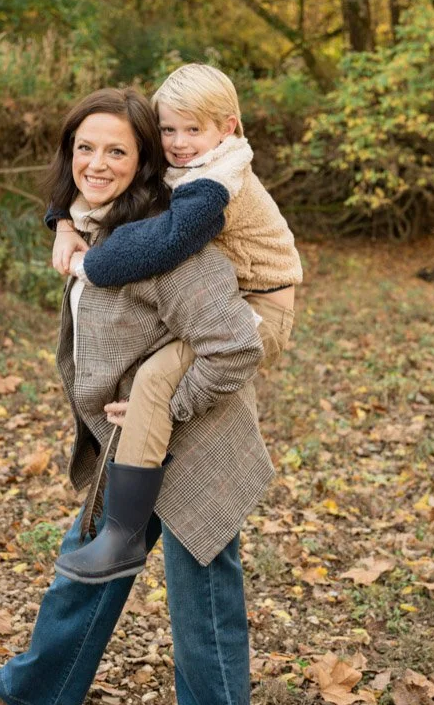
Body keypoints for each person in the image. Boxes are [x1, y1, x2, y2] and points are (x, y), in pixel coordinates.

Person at [0, 88, 272, 705]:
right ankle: (24, 692)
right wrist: (62, 221)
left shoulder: (166, 242)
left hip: (197, 442)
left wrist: (171, 404)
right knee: (93, 554)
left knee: (203, 603)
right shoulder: (97, 228)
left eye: (117, 150)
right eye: (84, 147)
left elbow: (235, 344)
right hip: (136, 440)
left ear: (147, 160)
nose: (96, 162)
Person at [43, 64, 299, 582]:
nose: (178, 144)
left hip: (262, 308)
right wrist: (63, 222)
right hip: (229, 300)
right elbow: (93, 174)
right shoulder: (184, 163)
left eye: (193, 130)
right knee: (153, 384)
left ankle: (121, 536)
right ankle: (118, 534)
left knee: (158, 381)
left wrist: (92, 264)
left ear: (227, 128)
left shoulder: (214, 181)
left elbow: (167, 243)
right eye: (168, 130)